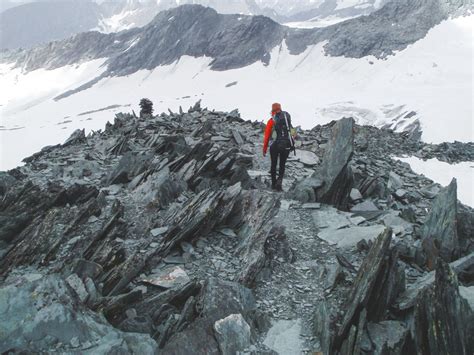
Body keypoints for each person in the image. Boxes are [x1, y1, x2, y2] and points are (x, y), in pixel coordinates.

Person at [263, 103, 296, 191]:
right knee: (282, 165)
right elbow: (293, 133)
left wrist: (265, 148)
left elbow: (266, 136)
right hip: (286, 145)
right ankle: (279, 183)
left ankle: (274, 184)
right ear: (280, 109)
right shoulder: (286, 119)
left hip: (275, 145)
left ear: (273, 110)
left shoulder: (271, 120)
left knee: (273, 164)